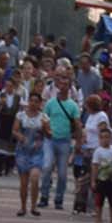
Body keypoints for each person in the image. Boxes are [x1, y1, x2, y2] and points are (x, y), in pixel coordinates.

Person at [41, 73, 81, 211]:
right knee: (47, 167)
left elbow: (77, 124)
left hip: (65, 141)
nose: (63, 87)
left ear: (69, 88)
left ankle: (59, 199)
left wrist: (78, 143)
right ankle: (44, 196)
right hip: (50, 140)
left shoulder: (73, 106)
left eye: (66, 84)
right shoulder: (50, 103)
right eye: (61, 84)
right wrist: (46, 130)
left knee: (63, 173)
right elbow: (44, 118)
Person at [13, 91, 47, 218]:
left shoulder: (44, 117)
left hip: (37, 152)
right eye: (31, 101)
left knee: (35, 178)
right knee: (23, 182)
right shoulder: (20, 115)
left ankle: (33, 206)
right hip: (22, 151)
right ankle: (23, 207)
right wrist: (20, 136)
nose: (33, 103)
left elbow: (49, 134)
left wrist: (45, 129)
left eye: (36, 101)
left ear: (40, 103)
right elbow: (14, 130)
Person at [90, 125, 112, 223]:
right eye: (103, 137)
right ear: (99, 139)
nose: (105, 140)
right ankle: (98, 219)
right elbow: (95, 166)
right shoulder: (98, 151)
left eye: (107, 137)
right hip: (101, 180)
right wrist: (93, 180)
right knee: (99, 201)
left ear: (111, 138)